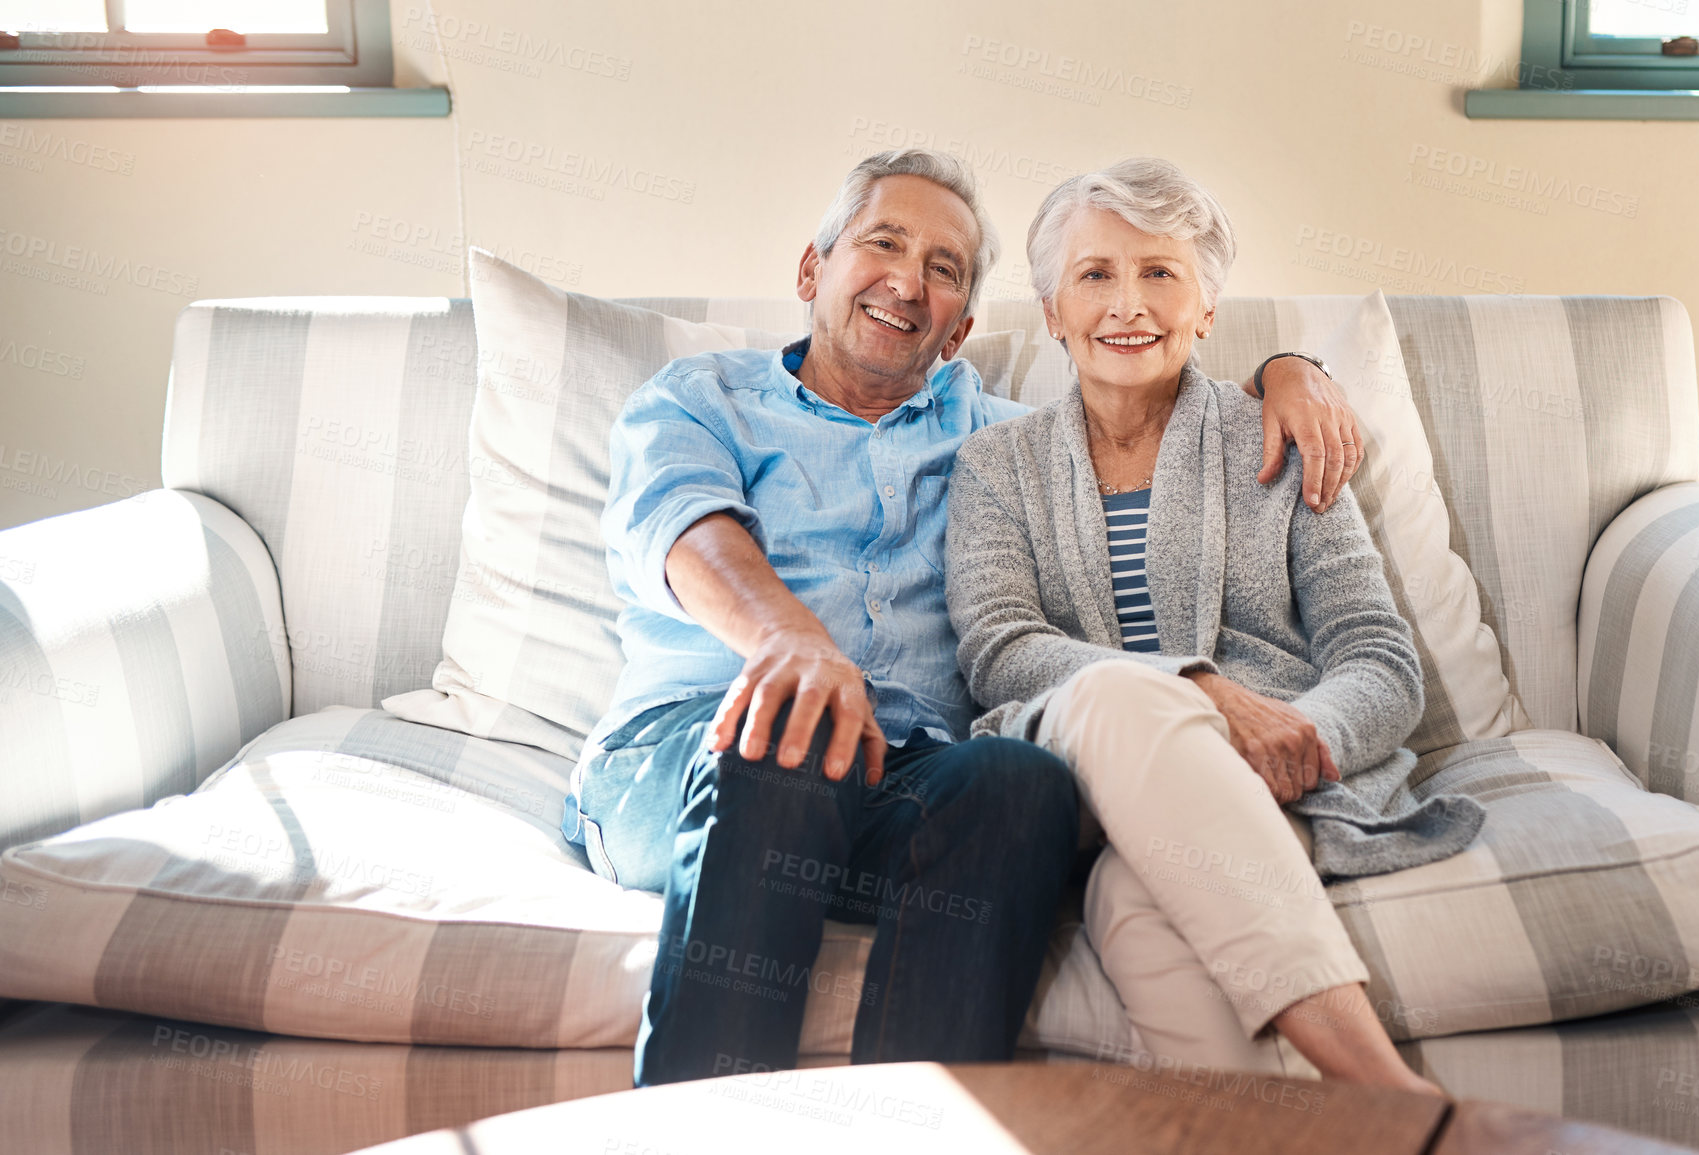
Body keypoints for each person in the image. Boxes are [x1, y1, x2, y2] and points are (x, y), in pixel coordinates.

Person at [568, 148, 1366, 1087]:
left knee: (1017, 780)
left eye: (942, 270)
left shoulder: (1000, 444)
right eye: (883, 243)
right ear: (810, 270)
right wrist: (792, 645)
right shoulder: (702, 400)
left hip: (899, 777)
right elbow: (686, 532)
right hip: (695, 750)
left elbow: (1141, 394)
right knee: (789, 735)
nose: (908, 281)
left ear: (961, 329)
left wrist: (1289, 370)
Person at [945, 158, 1483, 1093]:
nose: (1127, 304)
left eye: (1160, 273)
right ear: (1050, 310)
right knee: (1116, 691)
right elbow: (998, 646)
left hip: (1269, 778)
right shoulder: (996, 464)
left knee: (1130, 901)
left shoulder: (1276, 435)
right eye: (1095, 274)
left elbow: (1378, 654)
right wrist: (1197, 694)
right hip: (1077, 772)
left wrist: (1295, 738)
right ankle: (1393, 1100)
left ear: (1205, 308)